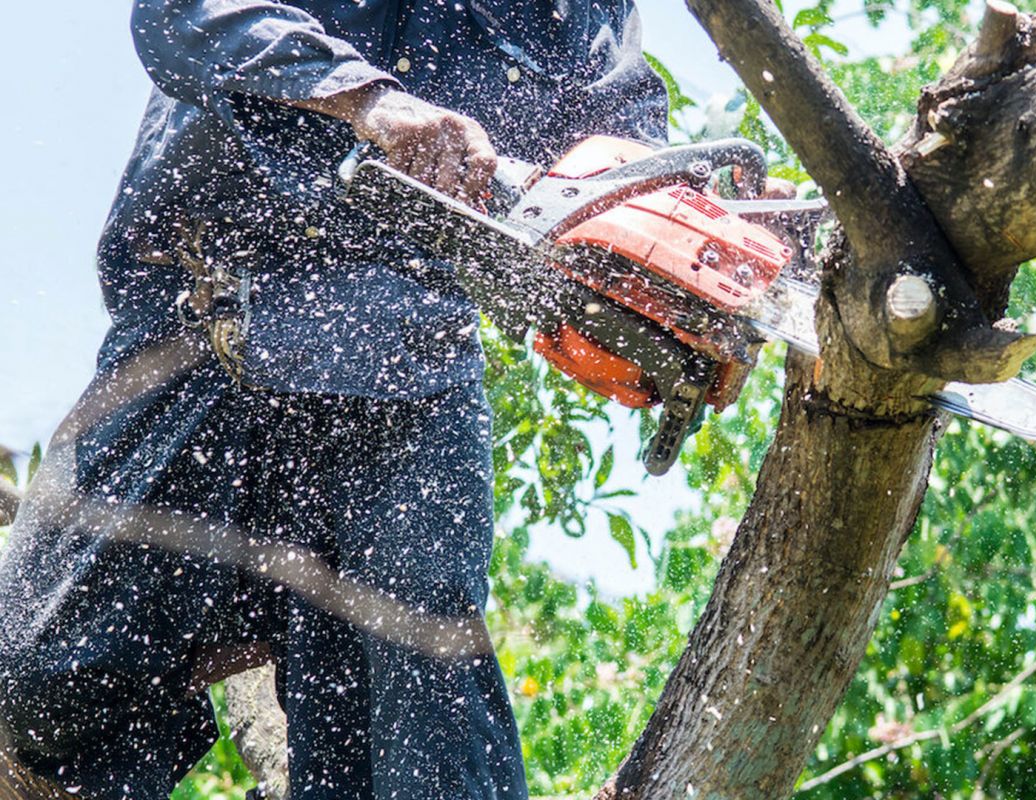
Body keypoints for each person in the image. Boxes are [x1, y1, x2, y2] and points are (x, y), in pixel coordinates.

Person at [0, 1, 667, 798]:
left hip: (406, 364)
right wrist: (364, 98)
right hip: (209, 318)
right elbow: (179, 15)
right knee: (39, 683)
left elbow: (622, 137)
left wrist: (674, 257)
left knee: (419, 698)